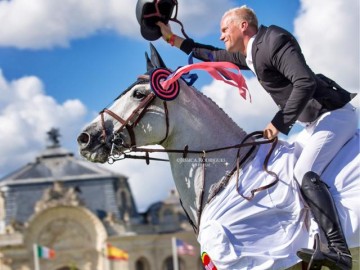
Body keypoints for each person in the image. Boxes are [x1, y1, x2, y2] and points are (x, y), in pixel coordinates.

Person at [156, 5, 358, 270]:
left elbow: (305, 82)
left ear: (243, 26)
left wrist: (278, 122)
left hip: (334, 116)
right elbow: (212, 54)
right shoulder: (251, 53)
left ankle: (338, 250)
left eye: (224, 29)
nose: (221, 36)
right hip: (313, 123)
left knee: (303, 172)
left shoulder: (274, 40)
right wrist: (172, 39)